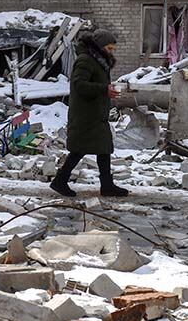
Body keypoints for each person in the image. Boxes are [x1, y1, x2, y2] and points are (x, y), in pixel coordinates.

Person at [50, 29, 129, 197]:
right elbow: (79, 85)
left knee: (103, 148)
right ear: (99, 46)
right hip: (86, 115)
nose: (111, 51)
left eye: (113, 49)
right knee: (81, 149)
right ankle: (60, 181)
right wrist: (104, 89)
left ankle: (106, 185)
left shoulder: (98, 61)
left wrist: (106, 91)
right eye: (109, 48)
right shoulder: (85, 61)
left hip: (95, 114)